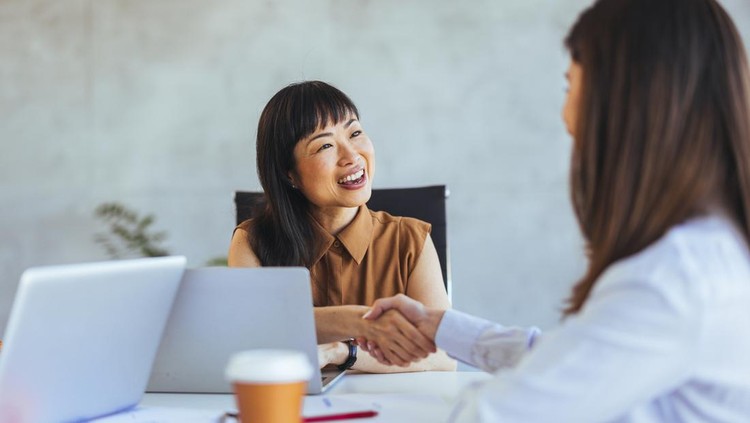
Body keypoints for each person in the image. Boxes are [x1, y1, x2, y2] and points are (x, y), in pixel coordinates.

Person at [358, 0, 750, 420]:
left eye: (570, 86)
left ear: (619, 103)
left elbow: (494, 415)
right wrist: (442, 328)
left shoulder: (668, 279)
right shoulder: (707, 250)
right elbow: (572, 357)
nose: (565, 117)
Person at [228, 81, 455, 373]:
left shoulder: (410, 240)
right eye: (325, 145)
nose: (352, 157)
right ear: (289, 174)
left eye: (355, 133)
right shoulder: (252, 241)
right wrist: (358, 322)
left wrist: (343, 351)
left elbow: (445, 354)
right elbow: (253, 332)